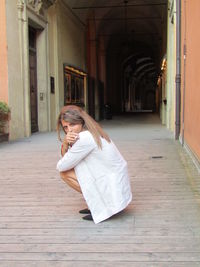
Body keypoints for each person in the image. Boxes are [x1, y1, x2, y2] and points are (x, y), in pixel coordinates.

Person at [56, 105, 132, 224]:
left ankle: (101, 206)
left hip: (112, 184)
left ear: (81, 122)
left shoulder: (84, 138)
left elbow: (62, 166)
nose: (69, 130)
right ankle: (95, 203)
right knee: (75, 167)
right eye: (65, 127)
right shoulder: (92, 131)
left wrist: (65, 144)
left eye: (72, 124)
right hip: (116, 181)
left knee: (65, 173)